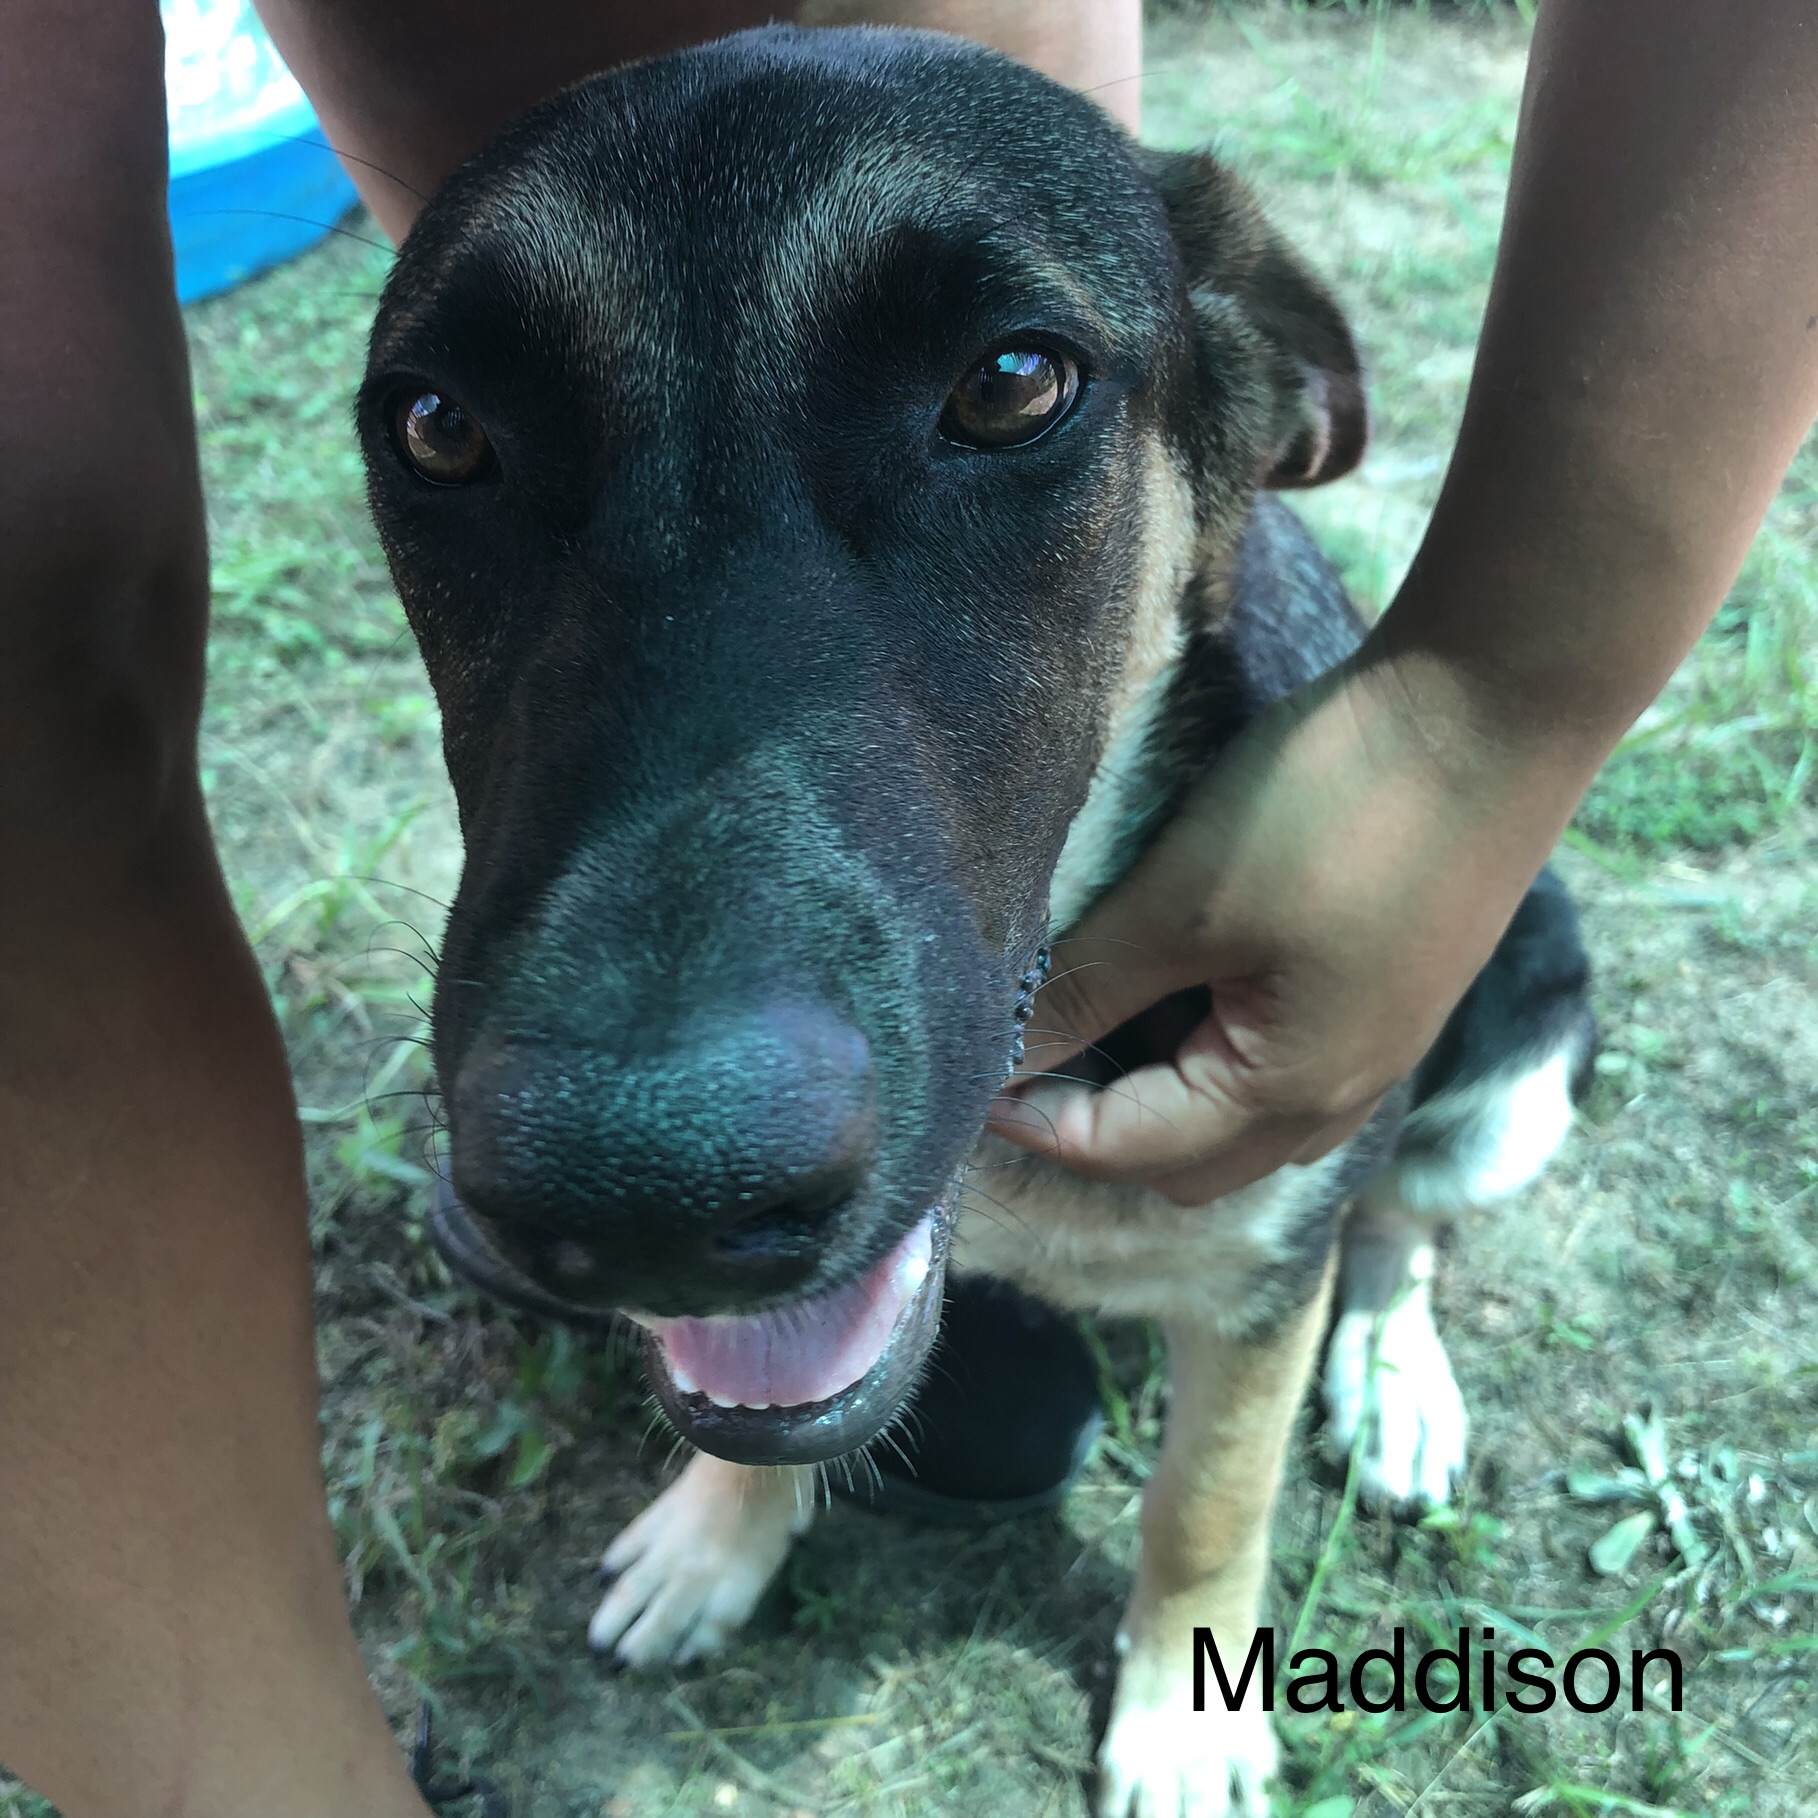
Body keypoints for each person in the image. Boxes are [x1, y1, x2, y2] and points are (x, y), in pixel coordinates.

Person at [1, 2, 1813, 1813]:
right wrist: (743, 1437)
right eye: (455, 438)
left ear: (1254, 424)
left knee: (1439, 1152)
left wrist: (1479, 715)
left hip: (1320, 1082)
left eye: (1005, 397)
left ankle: (1374, 1312)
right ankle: (799, 1397)